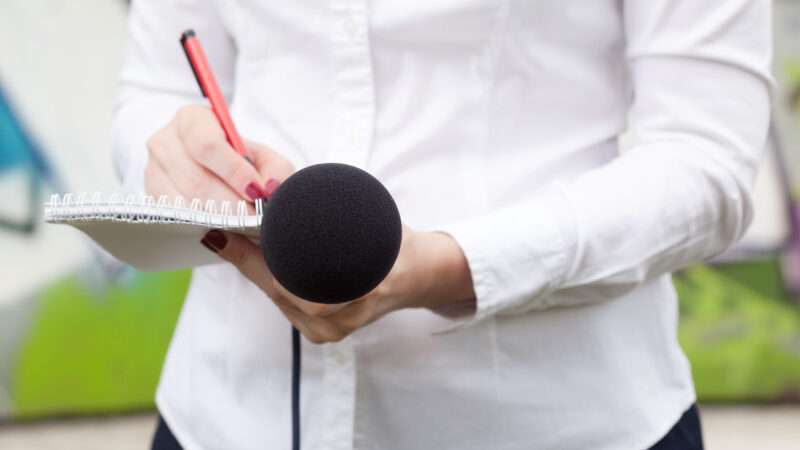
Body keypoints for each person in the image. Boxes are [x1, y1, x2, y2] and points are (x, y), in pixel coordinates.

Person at [113, 1, 771, 449]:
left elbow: (705, 160)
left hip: (555, 424)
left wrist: (453, 266)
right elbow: (155, 89)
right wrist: (177, 160)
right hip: (225, 418)